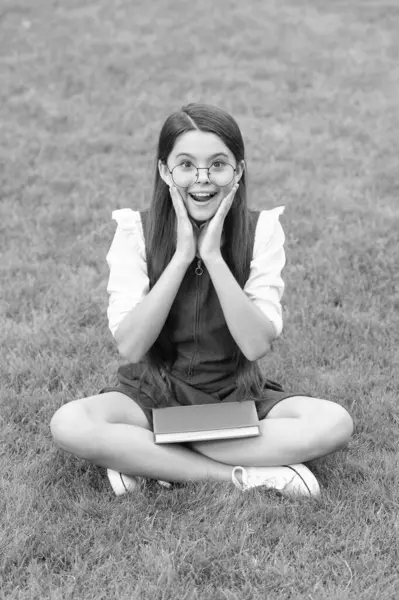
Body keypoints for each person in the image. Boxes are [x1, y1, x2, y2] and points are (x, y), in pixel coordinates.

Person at [50, 103, 354, 498]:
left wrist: (212, 256)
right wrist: (180, 256)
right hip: (154, 394)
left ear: (238, 171)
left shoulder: (262, 231)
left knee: (333, 422)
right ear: (164, 171)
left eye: (218, 165)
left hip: (234, 394)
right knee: (70, 423)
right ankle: (246, 475)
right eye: (186, 165)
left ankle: (145, 458)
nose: (202, 179)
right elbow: (131, 345)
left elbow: (255, 344)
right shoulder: (133, 232)